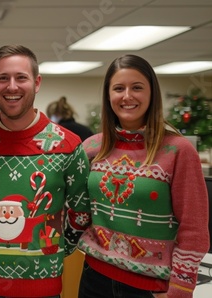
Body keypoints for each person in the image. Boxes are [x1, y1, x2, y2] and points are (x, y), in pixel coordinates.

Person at [0, 44, 92, 298]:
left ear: (37, 83)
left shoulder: (68, 145)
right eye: (3, 78)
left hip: (42, 290)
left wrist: (53, 251)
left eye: (21, 78)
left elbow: (82, 213)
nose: (12, 86)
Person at [77, 54, 209, 298]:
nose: (127, 96)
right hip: (94, 279)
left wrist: (180, 288)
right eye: (119, 88)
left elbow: (194, 229)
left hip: (150, 288)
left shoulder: (179, 150)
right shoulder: (92, 147)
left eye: (137, 87)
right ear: (109, 96)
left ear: (152, 93)